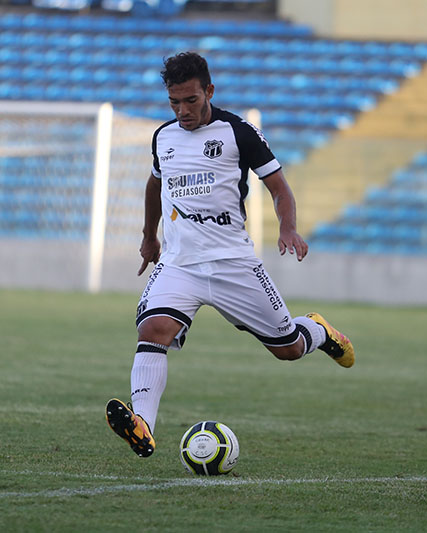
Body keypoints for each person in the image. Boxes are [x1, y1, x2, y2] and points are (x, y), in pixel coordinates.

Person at [105, 52, 354, 458]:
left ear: (209, 91)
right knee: (153, 331)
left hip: (233, 264)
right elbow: (155, 185)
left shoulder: (239, 133)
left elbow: (279, 187)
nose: (183, 111)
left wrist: (287, 227)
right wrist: (149, 237)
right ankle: (143, 424)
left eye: (190, 100)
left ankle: (319, 331)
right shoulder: (163, 137)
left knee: (288, 348)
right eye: (174, 102)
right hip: (179, 263)